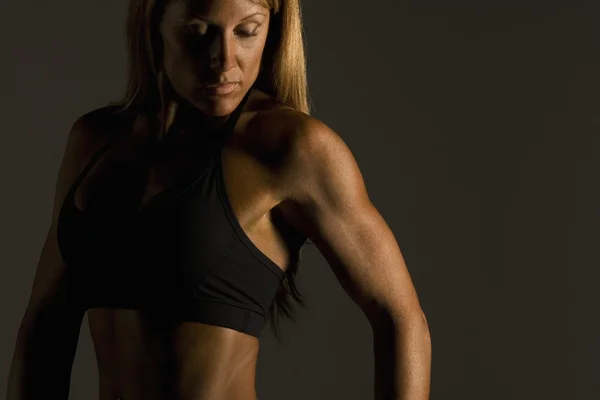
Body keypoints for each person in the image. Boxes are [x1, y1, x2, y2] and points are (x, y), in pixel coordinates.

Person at [6, 0, 432, 399]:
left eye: (247, 31)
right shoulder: (93, 141)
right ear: (153, 22)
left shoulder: (290, 148)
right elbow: (45, 327)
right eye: (198, 31)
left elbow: (400, 317)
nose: (225, 60)